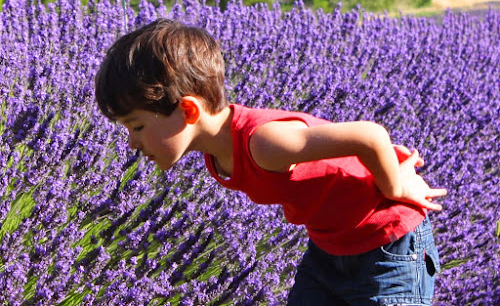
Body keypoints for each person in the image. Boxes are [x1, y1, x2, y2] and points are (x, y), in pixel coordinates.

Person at [95, 19, 447, 305]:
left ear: (188, 110)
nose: (132, 143)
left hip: (389, 244)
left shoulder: (263, 142)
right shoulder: (216, 152)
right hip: (329, 250)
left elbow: (370, 136)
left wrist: (396, 185)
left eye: (137, 126)